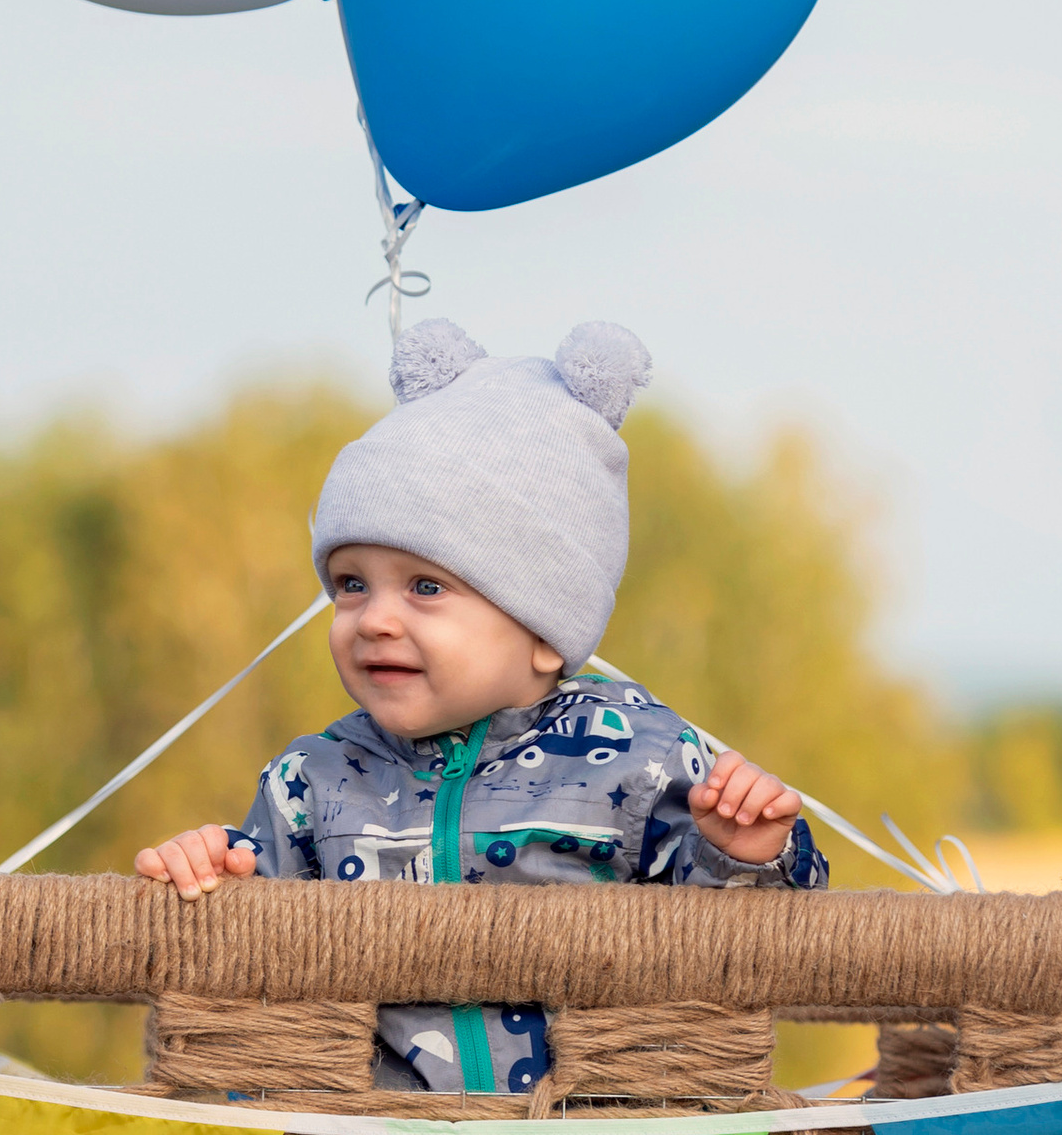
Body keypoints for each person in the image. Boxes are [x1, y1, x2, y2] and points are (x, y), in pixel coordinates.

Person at [135, 320, 823, 1093]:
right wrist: (213, 875)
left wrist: (744, 851)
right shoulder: (311, 781)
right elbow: (254, 979)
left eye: (426, 586)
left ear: (543, 631)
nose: (376, 618)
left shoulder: (642, 758)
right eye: (351, 583)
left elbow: (739, 956)